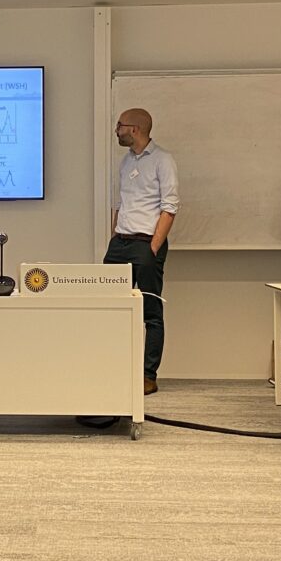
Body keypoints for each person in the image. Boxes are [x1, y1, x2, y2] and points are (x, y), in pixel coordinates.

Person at [103, 108, 179, 396]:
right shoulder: (125, 161)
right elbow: (120, 204)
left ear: (134, 129)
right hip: (120, 243)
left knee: (151, 313)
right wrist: (115, 236)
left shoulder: (163, 160)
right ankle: (115, 369)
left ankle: (148, 375)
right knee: (110, 308)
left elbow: (169, 207)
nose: (116, 130)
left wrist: (153, 247)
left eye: (120, 125)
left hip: (146, 244)